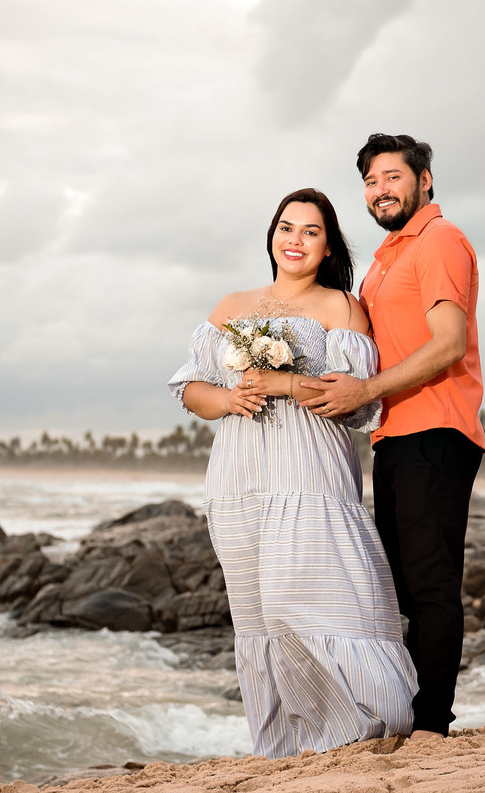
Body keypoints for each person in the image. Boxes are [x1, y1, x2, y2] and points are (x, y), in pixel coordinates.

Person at [166, 188, 416, 758]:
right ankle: (286, 746)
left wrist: (282, 383)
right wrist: (231, 399)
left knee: (315, 598)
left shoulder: (341, 307)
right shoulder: (232, 305)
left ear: (328, 247)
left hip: (310, 475)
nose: (295, 240)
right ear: (272, 236)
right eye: (287, 228)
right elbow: (189, 389)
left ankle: (360, 727)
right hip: (238, 478)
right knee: (260, 615)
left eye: (311, 231)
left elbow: (352, 400)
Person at [298, 134, 485, 741]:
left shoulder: (439, 241)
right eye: (371, 182)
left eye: (393, 177)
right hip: (396, 433)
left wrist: (366, 390)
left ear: (424, 179)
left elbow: (449, 344)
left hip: (438, 425)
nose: (381, 190)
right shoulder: (386, 258)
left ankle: (432, 728)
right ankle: (406, 714)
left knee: (429, 583)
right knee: (396, 583)